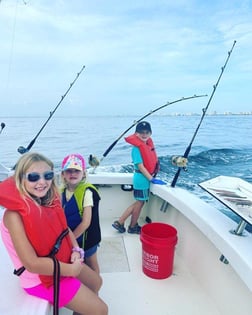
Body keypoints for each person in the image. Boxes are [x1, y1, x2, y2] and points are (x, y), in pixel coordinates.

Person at [0, 152, 108, 315]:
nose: (42, 182)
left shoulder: (47, 201)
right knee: (101, 310)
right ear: (20, 178)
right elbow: (32, 264)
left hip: (61, 261)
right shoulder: (13, 216)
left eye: (48, 175)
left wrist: (77, 251)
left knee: (96, 282)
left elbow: (65, 230)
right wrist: (71, 271)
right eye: (33, 177)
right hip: (41, 280)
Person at [112, 121, 166, 235]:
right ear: (136, 134)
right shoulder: (136, 148)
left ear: (150, 133)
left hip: (143, 179)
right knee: (139, 204)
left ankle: (124, 223)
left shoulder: (147, 145)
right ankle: (127, 225)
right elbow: (140, 166)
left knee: (139, 203)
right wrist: (151, 179)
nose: (144, 134)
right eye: (141, 132)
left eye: (147, 132)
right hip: (141, 179)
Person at [61, 153, 101, 274]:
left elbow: (86, 222)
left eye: (77, 171)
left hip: (87, 239)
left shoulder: (87, 192)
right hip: (71, 238)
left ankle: (95, 288)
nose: (73, 174)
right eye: (69, 171)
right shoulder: (61, 192)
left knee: (91, 264)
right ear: (63, 174)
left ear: (83, 173)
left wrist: (69, 241)